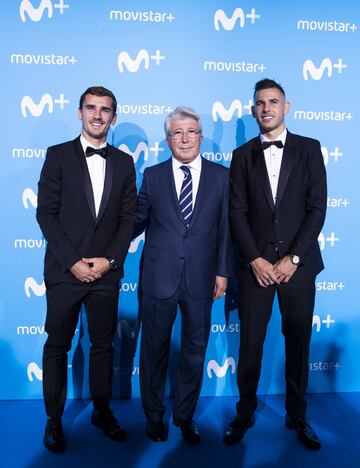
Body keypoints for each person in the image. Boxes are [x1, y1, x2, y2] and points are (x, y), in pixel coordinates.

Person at [224, 79, 327, 450]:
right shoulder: (241, 155)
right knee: (250, 345)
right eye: (260, 103)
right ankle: (245, 411)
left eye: (273, 101)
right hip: (256, 269)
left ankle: (298, 416)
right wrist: (255, 259)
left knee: (298, 343)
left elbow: (317, 209)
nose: (266, 108)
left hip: (298, 267)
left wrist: (293, 259)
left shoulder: (309, 149)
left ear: (287, 107)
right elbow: (236, 213)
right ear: (253, 111)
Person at [36, 86, 137, 452]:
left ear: (114, 116)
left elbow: (128, 219)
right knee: (58, 346)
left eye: (105, 109)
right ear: (79, 112)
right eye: (91, 108)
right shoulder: (58, 155)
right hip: (65, 271)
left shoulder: (125, 163)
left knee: (102, 346)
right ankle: (53, 420)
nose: (98, 115)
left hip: (106, 274)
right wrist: (74, 262)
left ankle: (102, 411)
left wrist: (109, 261)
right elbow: (45, 213)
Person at [136, 106, 233, 444]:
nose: (185, 138)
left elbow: (225, 230)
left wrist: (222, 272)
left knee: (194, 350)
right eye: (178, 133)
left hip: (202, 278)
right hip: (158, 278)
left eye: (191, 131)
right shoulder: (153, 176)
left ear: (201, 136)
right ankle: (153, 416)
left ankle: (184, 416)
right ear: (168, 140)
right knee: (153, 350)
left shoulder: (222, 177)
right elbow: (135, 221)